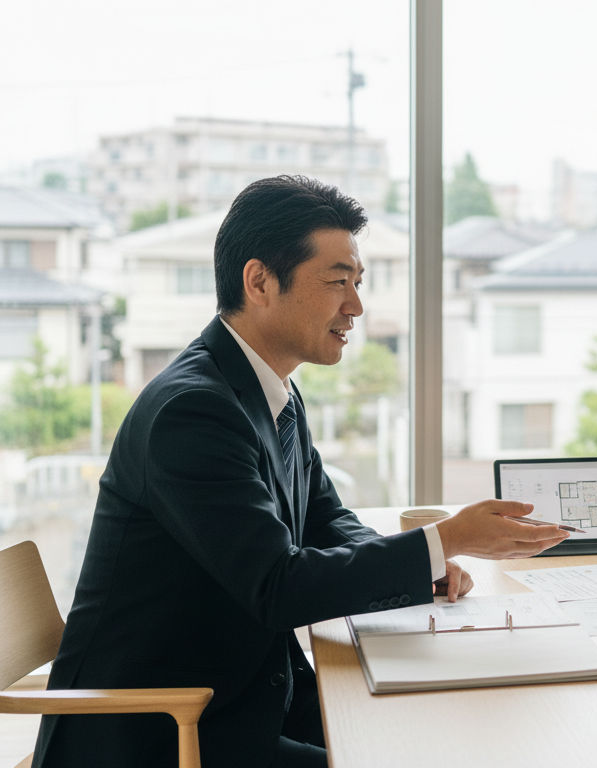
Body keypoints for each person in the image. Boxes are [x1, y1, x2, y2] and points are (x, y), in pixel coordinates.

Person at [34, 176, 569, 768]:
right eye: (337, 282)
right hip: (163, 732)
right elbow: (277, 587)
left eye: (358, 283)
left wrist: (430, 568)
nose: (356, 307)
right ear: (259, 282)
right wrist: (449, 539)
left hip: (243, 701)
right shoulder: (193, 412)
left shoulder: (270, 390)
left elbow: (325, 520)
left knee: (447, 731)